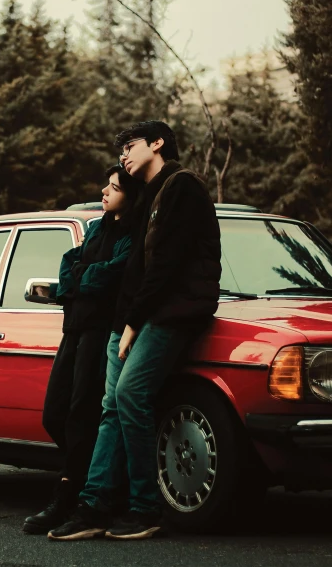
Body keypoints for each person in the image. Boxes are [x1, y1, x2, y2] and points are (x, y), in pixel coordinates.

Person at [49, 120, 221, 541]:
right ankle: (95, 506)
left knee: (130, 395)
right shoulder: (147, 197)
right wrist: (121, 320)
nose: (123, 153)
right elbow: (133, 266)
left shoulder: (182, 186)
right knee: (112, 406)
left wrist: (131, 323)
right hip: (130, 317)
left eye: (131, 145)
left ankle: (145, 508)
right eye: (120, 147)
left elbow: (167, 265)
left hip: (170, 314)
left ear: (158, 143)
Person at [22, 164, 141, 534]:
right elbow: (70, 265)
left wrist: (80, 279)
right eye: (106, 185)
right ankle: (82, 481)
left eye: (114, 187)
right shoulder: (95, 228)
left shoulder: (132, 235)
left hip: (100, 331)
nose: (104, 191)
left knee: (81, 417)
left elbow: (111, 274)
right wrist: (82, 278)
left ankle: (69, 497)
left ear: (131, 195)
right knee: (55, 414)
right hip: (72, 329)